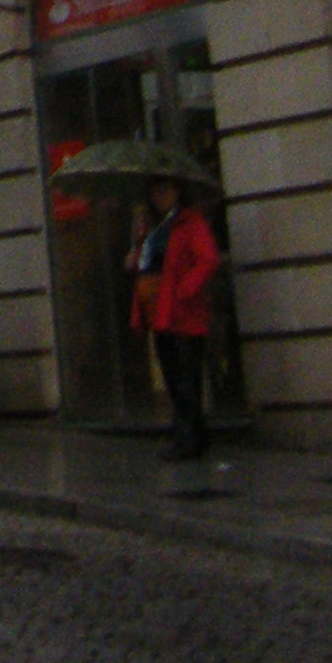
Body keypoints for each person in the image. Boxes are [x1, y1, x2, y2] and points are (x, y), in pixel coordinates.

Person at [129, 175, 222, 461]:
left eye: (165, 190)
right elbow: (147, 264)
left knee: (186, 378)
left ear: (177, 192)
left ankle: (190, 437)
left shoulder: (189, 223)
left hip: (183, 312)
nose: (160, 197)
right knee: (172, 376)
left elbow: (208, 260)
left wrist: (185, 289)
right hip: (159, 311)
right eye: (155, 191)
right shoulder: (153, 228)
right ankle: (188, 431)